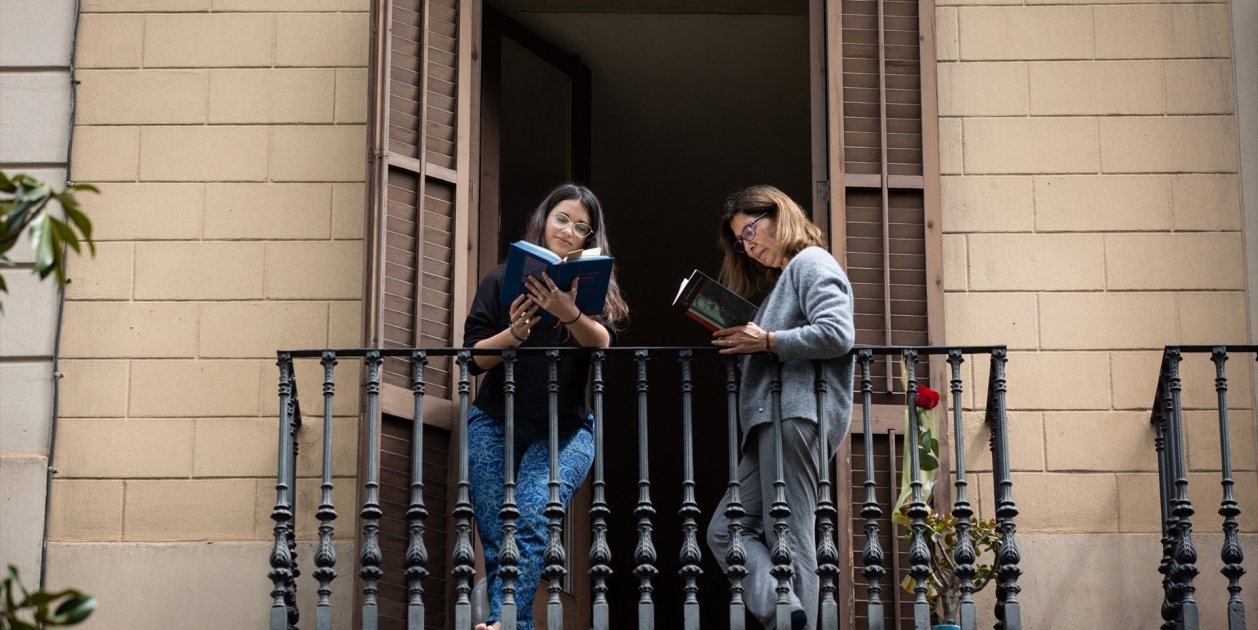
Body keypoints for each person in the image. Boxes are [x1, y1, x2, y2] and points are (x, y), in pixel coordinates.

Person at [464, 184, 629, 630]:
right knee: (500, 536)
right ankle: (511, 624)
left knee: (533, 515)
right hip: (495, 421)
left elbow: (603, 345)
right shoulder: (500, 280)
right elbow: (474, 357)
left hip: (567, 428)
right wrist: (514, 334)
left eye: (581, 228)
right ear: (543, 220)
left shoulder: (594, 292)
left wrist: (569, 312)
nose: (569, 231)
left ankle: (501, 621)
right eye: (562, 219)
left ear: (589, 240)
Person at [704, 185, 855, 630]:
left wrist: (767, 340)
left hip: (795, 414)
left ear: (779, 215)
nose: (749, 245)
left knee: (791, 533)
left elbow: (837, 333)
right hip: (771, 421)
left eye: (751, 230)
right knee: (724, 530)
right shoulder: (782, 284)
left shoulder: (811, 262)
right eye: (741, 240)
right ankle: (789, 616)